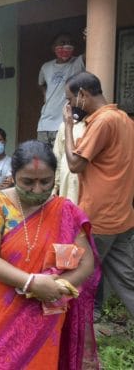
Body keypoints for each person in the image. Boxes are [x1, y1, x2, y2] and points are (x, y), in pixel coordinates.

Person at [0, 140, 99, 369]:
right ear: (13, 176)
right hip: (1, 305)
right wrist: (32, 283)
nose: (38, 189)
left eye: (46, 182)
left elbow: (86, 262)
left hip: (48, 305)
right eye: (28, 182)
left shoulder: (65, 211)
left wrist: (56, 287)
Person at [61, 71, 134, 317]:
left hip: (98, 218)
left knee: (76, 279)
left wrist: (69, 127)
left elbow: (74, 164)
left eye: (71, 99)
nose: (70, 106)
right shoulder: (124, 119)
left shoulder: (103, 122)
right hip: (121, 217)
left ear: (82, 94)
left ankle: (71, 336)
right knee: (127, 281)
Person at [37, 33, 85, 147]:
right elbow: (40, 83)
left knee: (60, 162)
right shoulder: (46, 67)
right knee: (43, 161)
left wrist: (89, 38)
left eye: (70, 43)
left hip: (64, 125)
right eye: (62, 43)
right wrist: (45, 94)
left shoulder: (76, 63)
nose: (67, 46)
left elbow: (88, 55)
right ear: (53, 47)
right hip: (44, 125)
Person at [52, 116, 86, 204]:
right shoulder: (64, 126)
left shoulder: (93, 126)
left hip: (83, 183)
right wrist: (54, 188)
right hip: (66, 181)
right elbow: (57, 156)